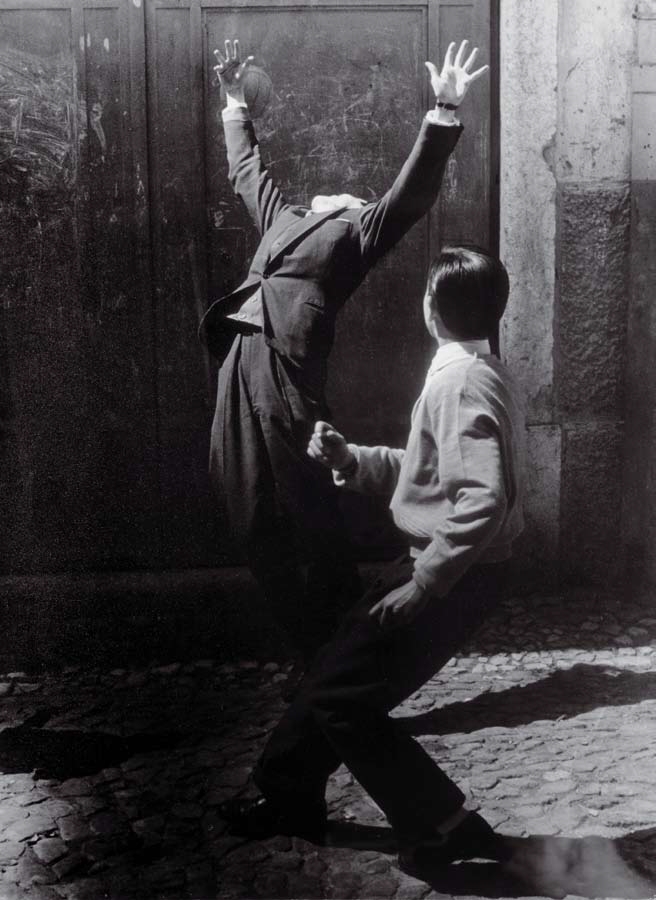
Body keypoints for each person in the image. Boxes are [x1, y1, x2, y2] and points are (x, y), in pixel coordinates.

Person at [220, 245, 526, 872]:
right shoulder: (479, 372)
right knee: (333, 673)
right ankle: (286, 791)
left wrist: (425, 584)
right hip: (452, 565)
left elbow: (484, 497)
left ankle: (445, 825)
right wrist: (352, 460)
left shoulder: (459, 382)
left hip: (447, 572)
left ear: (430, 308)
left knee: (342, 696)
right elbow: (434, 473)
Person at [200, 38, 489, 668]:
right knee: (247, 511)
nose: (343, 192)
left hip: (286, 373)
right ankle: (311, 648)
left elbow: (409, 198)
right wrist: (233, 99)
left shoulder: (355, 230)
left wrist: (443, 112)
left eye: (355, 197)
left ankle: (340, 651)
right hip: (238, 364)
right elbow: (246, 170)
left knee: (308, 512)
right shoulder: (285, 217)